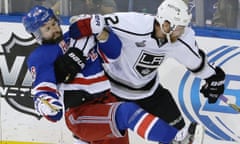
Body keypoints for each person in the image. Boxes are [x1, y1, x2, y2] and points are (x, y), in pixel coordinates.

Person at [22, 5, 187, 144]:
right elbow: (44, 88)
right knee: (127, 112)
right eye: (47, 28)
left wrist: (101, 32)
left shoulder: (78, 37)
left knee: (124, 112)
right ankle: (175, 140)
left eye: (54, 23)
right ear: (37, 34)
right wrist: (47, 104)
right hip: (81, 113)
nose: (55, 29)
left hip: (107, 103)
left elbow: (113, 53)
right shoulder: (41, 55)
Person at [69, 0, 226, 143]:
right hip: (112, 92)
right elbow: (96, 23)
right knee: (95, 136)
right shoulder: (134, 24)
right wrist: (83, 23)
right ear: (166, 25)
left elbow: (196, 61)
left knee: (179, 134)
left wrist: (213, 78)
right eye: (179, 28)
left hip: (150, 92)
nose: (182, 32)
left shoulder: (179, 40)